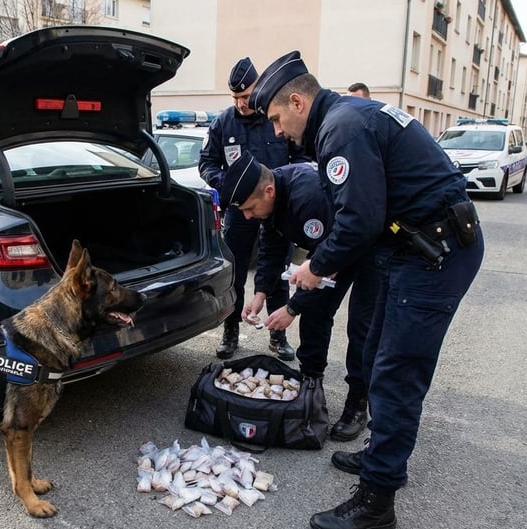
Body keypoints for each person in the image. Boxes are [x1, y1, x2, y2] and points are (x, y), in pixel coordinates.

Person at [249, 51, 484, 529]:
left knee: (397, 375)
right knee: (377, 355)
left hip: (433, 255)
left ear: (297, 102)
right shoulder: (346, 118)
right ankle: (381, 455)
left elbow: (359, 220)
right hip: (412, 249)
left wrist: (315, 267)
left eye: (275, 118)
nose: (277, 131)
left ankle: (376, 503)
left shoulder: (341, 129)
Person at [224, 151, 378, 443]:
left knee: (362, 326)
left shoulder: (307, 196)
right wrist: (260, 293)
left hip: (365, 248)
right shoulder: (272, 199)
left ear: (268, 191)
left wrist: (291, 308)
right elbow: (272, 248)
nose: (247, 216)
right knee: (316, 313)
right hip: (328, 249)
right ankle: (311, 383)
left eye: (249, 208)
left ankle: (357, 403)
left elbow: (331, 256)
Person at [199, 57, 306, 361]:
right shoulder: (223, 123)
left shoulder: (273, 118)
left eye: (245, 96)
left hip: (277, 208)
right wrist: (229, 185)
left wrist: (287, 187)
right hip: (239, 210)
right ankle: (231, 330)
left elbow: (300, 156)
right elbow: (206, 163)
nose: (241, 103)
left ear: (257, 87)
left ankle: (277, 334)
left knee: (279, 270)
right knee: (235, 273)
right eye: (235, 97)